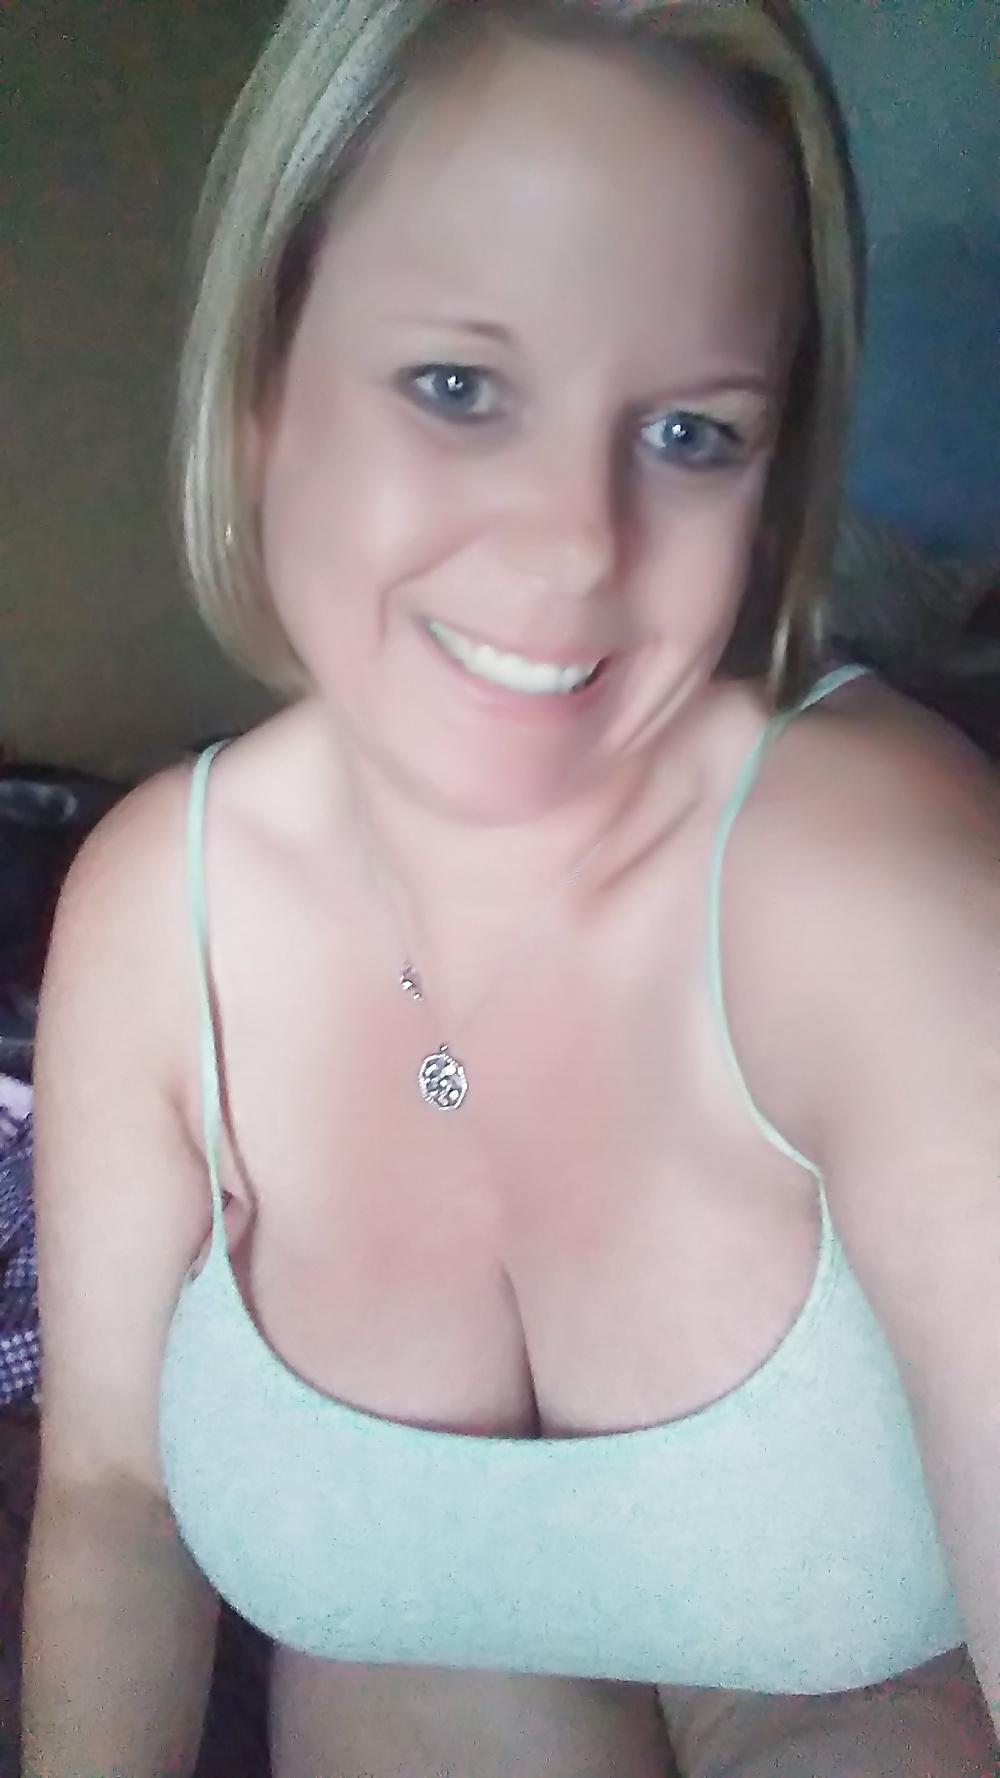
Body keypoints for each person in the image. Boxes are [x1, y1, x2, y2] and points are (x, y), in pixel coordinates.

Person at [21, 2, 999, 1774]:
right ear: (264, 386)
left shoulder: (882, 888)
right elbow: (113, 1502)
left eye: (691, 431)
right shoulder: (156, 919)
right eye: (459, 387)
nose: (571, 548)